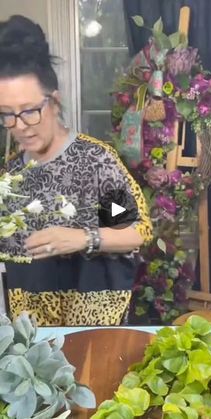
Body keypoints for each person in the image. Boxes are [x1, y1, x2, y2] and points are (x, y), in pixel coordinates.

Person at [0, 15, 153, 326]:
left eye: (30, 112)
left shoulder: (95, 163)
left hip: (90, 328)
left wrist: (83, 238)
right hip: (31, 338)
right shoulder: (11, 173)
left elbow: (134, 231)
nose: (20, 126)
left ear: (54, 102)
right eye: (7, 115)